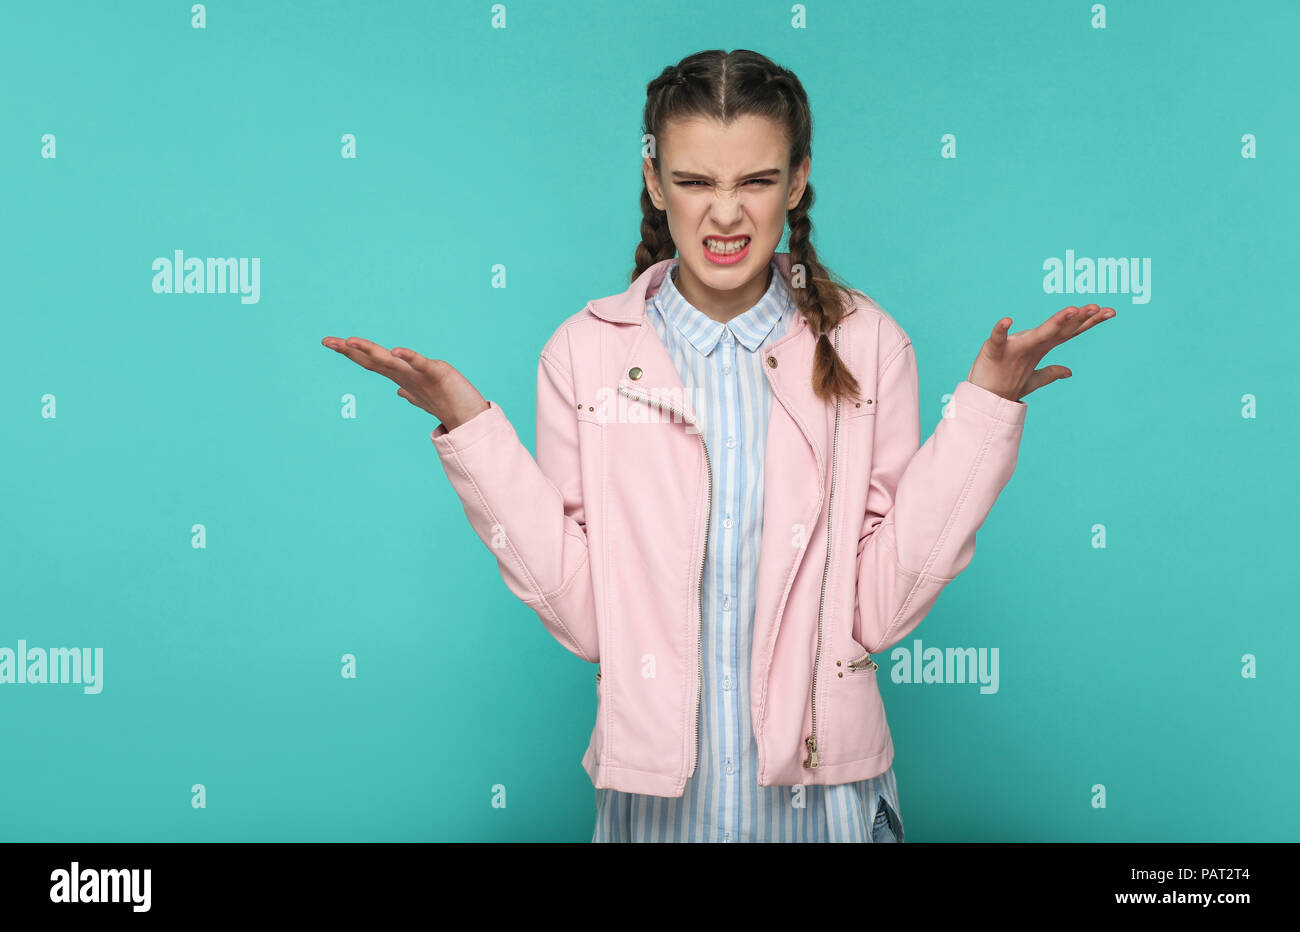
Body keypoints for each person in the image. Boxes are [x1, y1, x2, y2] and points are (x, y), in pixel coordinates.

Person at [321, 49, 1115, 842]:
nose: (725, 215)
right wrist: (471, 430)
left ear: (798, 180)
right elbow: (589, 618)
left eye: (756, 181)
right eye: (696, 181)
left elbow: (881, 605)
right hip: (658, 812)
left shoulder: (871, 346)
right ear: (654, 179)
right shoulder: (583, 354)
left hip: (830, 806)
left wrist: (984, 413)